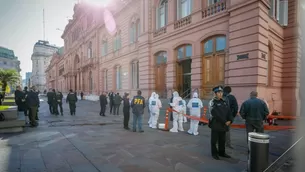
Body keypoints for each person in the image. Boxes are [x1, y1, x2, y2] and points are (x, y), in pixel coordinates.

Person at [209, 86, 233, 160]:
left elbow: (229, 112)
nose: (220, 94)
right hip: (216, 124)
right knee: (214, 141)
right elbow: (215, 114)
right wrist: (225, 121)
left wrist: (230, 120)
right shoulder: (212, 102)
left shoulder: (224, 102)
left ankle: (222, 153)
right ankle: (214, 154)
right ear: (215, 93)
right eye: (219, 92)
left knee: (222, 140)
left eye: (221, 92)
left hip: (224, 125)